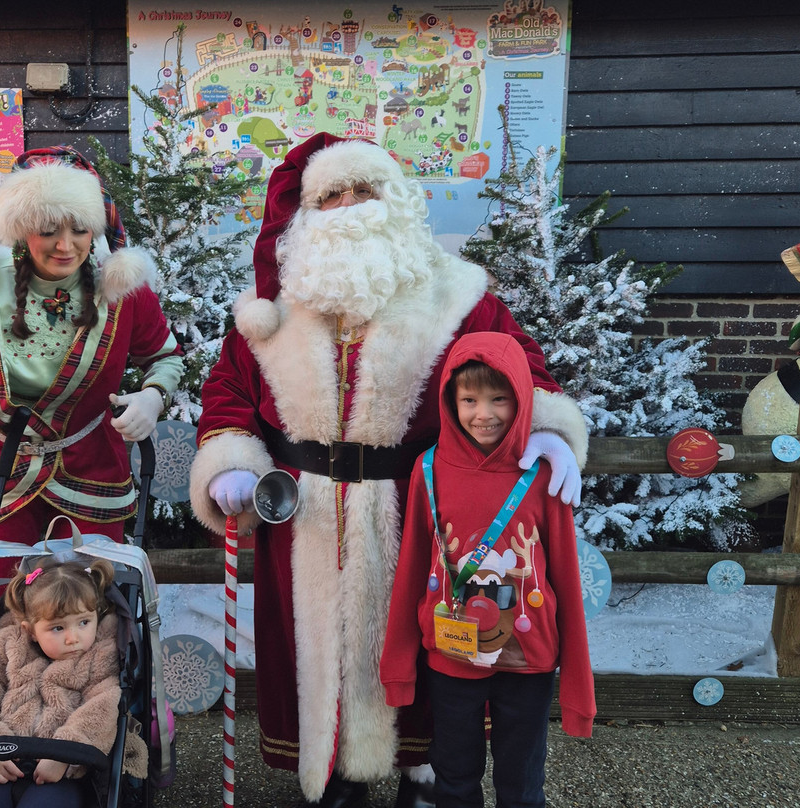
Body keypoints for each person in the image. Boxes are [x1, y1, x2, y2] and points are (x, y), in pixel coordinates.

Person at [189, 134, 588, 807]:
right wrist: (229, 460)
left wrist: (544, 427)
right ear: (305, 213)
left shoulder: (459, 296)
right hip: (304, 514)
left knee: (426, 632)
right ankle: (338, 771)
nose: (348, 207)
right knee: (322, 653)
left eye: (364, 191)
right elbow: (226, 391)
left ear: (395, 200)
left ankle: (424, 770)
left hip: (422, 505)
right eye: (331, 196)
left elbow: (518, 364)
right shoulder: (270, 309)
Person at [0, 146, 183, 779]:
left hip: (93, 472)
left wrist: (154, 397)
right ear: (20, 228)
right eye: (49, 228)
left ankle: (107, 734)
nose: (67, 244)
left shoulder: (122, 291)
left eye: (80, 227)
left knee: (102, 608)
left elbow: (165, 356)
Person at [380, 331, 595, 807]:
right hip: (451, 655)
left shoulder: (543, 475)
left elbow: (565, 576)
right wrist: (398, 667)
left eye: (500, 398)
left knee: (521, 783)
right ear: (449, 401)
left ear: (520, 397)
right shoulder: (428, 470)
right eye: (470, 399)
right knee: (454, 776)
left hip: (528, 658)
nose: (484, 414)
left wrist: (580, 693)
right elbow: (412, 568)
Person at [0, 558, 121, 808]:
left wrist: (67, 754)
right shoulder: (5, 646)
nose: (73, 638)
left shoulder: (101, 653)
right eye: (58, 628)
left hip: (62, 772)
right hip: (2, 761)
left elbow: (103, 706)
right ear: (30, 630)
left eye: (84, 622)